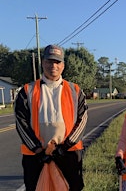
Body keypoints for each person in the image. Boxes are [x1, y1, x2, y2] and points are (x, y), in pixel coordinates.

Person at [14, 44, 88, 191]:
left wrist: (65, 146)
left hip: (69, 154)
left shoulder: (75, 90)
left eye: (57, 62)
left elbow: (82, 120)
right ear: (42, 63)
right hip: (36, 156)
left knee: (73, 187)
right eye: (49, 61)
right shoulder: (27, 90)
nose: (53, 65)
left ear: (63, 65)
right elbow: (21, 123)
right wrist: (38, 150)